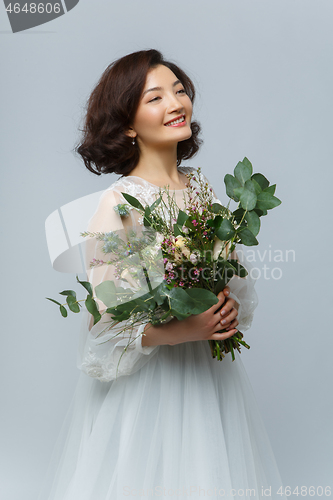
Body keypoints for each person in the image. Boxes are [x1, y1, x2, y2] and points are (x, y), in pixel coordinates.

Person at [41, 49, 285, 500]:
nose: (176, 103)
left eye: (178, 90)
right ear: (128, 124)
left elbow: (230, 272)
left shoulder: (202, 189)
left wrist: (225, 302)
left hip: (209, 381)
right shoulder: (117, 205)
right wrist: (181, 330)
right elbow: (105, 325)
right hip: (152, 388)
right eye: (155, 97)